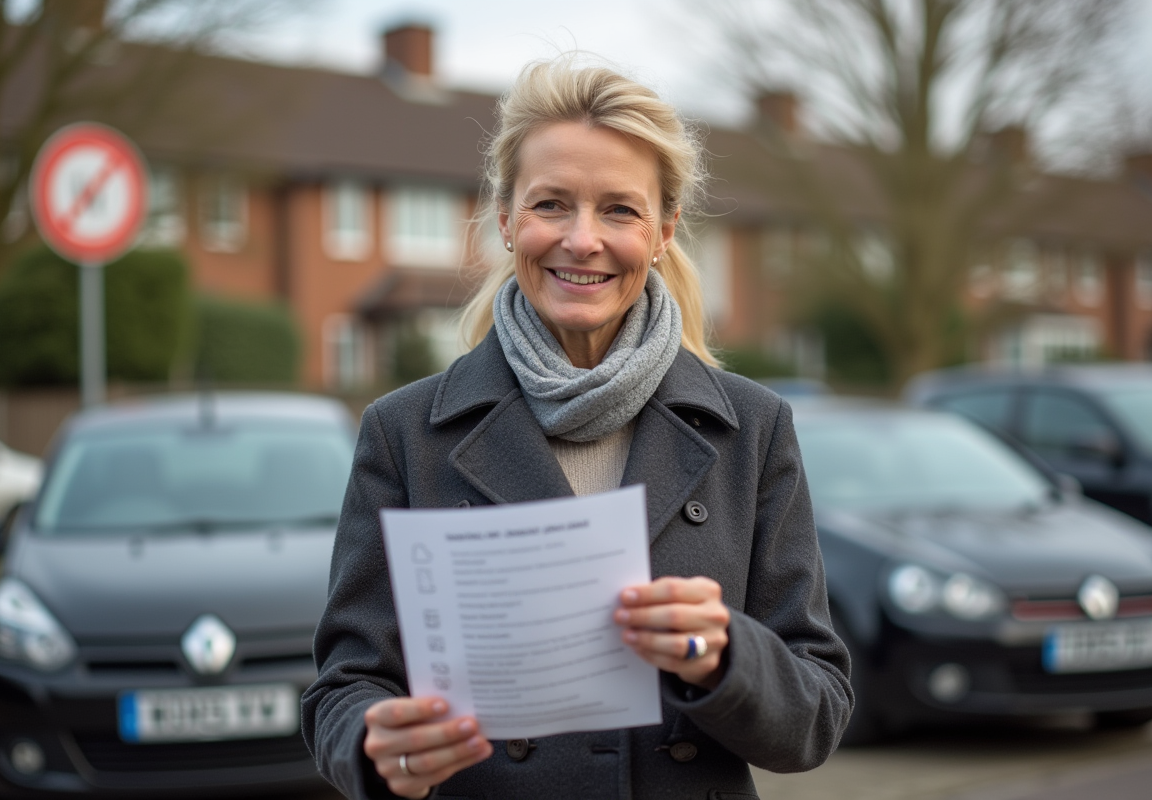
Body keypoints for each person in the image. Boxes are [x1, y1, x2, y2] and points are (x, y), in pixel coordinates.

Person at [301, 58, 853, 800]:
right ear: (506, 221)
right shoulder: (403, 433)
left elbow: (816, 715)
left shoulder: (750, 429)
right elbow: (343, 689)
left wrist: (722, 657)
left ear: (662, 231)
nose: (582, 239)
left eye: (619, 211)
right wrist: (376, 745)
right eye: (552, 204)